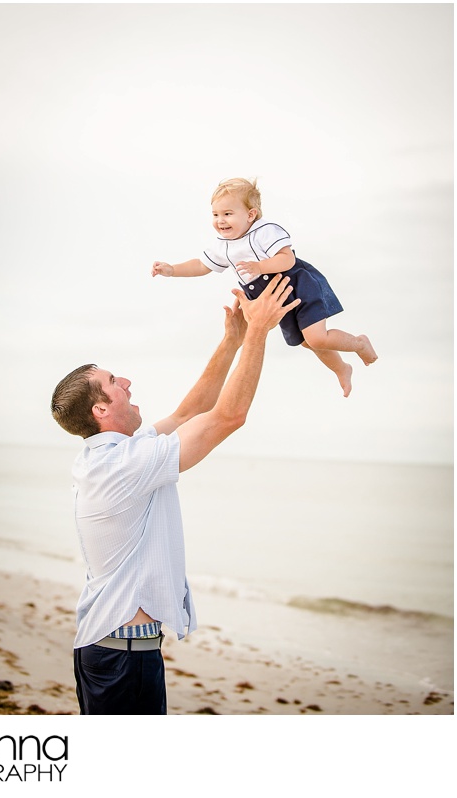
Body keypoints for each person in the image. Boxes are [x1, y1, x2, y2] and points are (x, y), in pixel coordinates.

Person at [50, 274, 299, 714]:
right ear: (101, 409)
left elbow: (191, 411)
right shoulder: (122, 465)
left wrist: (233, 340)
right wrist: (260, 331)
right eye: (112, 380)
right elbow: (228, 417)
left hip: (117, 649)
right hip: (120, 656)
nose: (126, 380)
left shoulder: (115, 455)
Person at [151, 177, 377, 397]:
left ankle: (358, 343)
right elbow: (201, 265)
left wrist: (260, 266)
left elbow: (287, 259)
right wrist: (172, 270)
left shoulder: (264, 231)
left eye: (228, 214)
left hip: (295, 285)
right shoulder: (223, 245)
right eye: (215, 214)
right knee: (307, 342)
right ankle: (341, 368)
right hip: (274, 300)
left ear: (251, 214)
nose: (220, 220)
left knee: (317, 338)